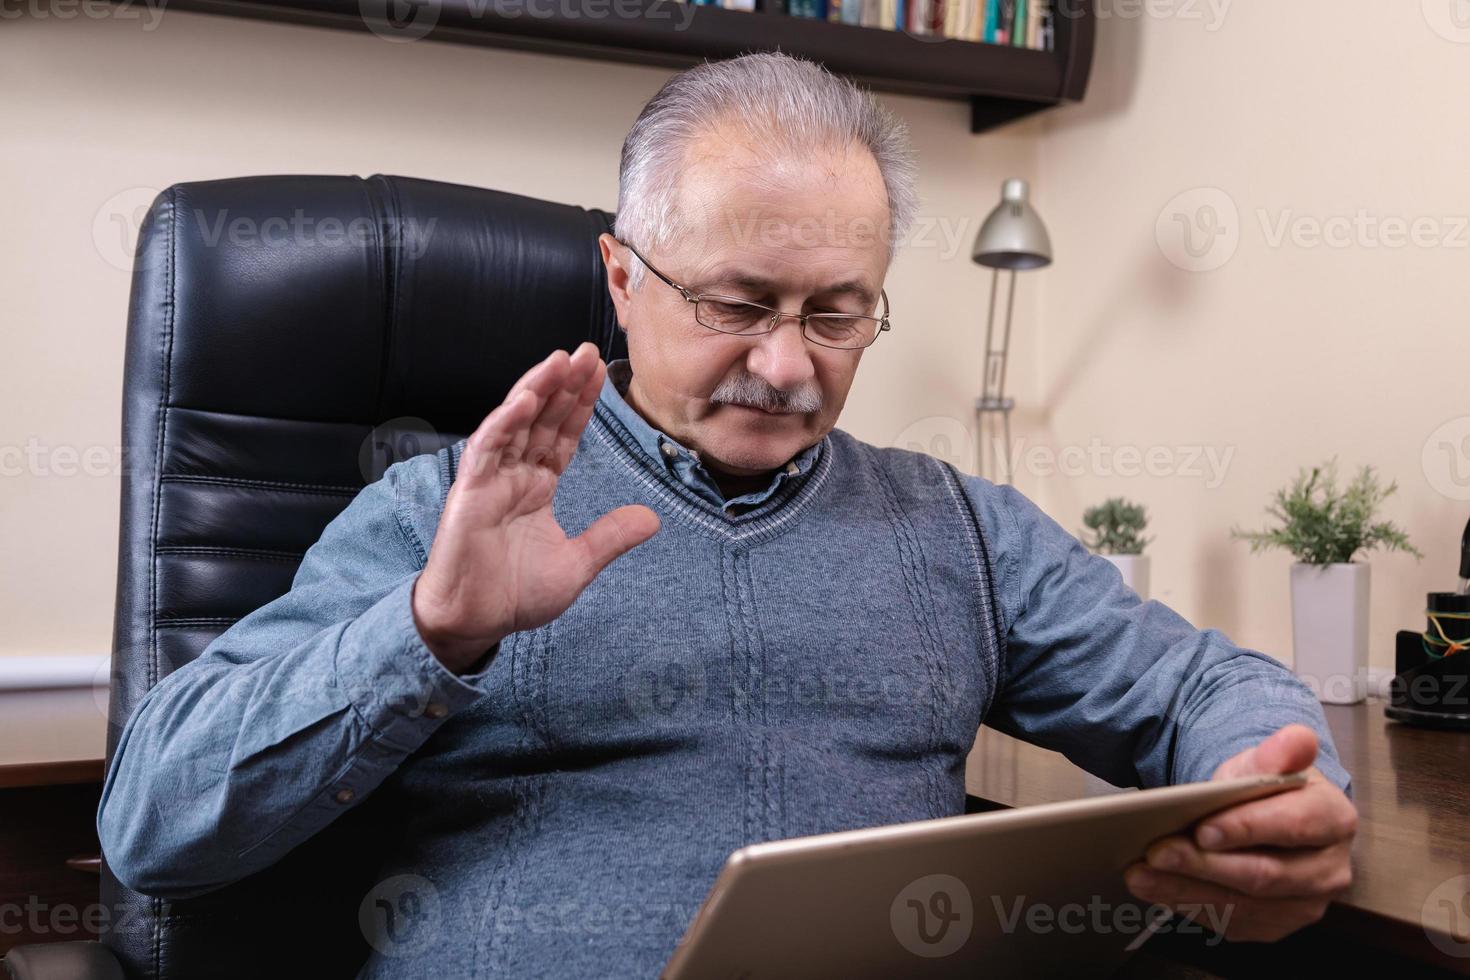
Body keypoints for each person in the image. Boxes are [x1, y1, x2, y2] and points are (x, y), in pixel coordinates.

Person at [97, 51, 1356, 977]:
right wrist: (429, 631)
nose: (790, 364)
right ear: (622, 277)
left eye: (837, 311)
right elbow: (154, 821)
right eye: (738, 302)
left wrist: (1268, 774)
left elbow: (1202, 687)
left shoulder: (958, 526)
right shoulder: (447, 507)